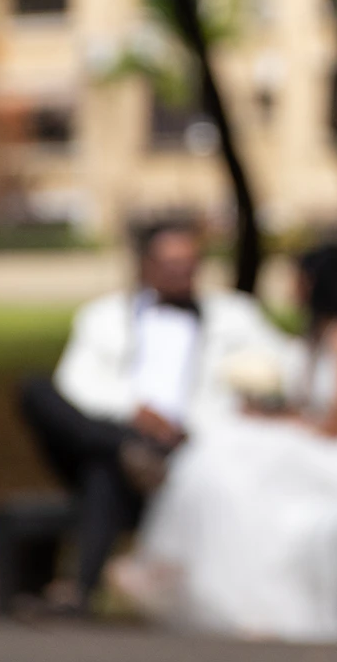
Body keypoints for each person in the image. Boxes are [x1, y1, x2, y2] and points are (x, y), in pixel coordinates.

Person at [112, 243, 337, 643]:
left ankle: (202, 576)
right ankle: (190, 574)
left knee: (250, 464)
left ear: (313, 284)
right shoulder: (315, 337)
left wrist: (283, 422)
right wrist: (270, 414)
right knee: (228, 451)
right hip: (318, 441)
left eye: (296, 280)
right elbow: (307, 406)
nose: (291, 288)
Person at [17, 217, 269, 613]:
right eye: (171, 263)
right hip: (114, 430)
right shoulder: (102, 317)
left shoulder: (234, 317)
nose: (181, 273)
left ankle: (79, 592)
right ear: (147, 266)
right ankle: (124, 448)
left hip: (182, 447)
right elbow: (76, 383)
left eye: (189, 263)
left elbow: (281, 363)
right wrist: (134, 412)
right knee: (36, 390)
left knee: (104, 469)